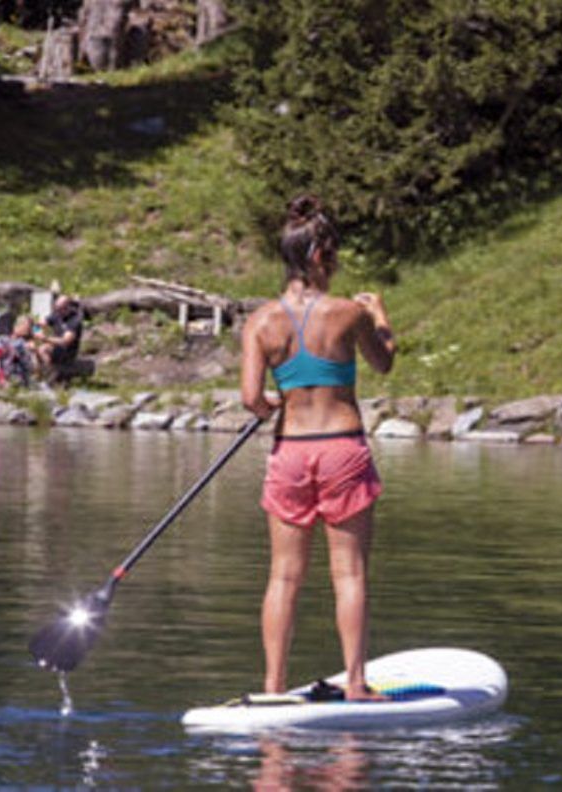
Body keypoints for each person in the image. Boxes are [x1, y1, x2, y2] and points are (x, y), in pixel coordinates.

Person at [240, 194, 396, 701]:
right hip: (342, 450)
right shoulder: (348, 313)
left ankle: (272, 686)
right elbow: (384, 363)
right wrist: (380, 316)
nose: (336, 265)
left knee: (283, 578)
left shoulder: (260, 322)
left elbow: (251, 399)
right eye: (333, 256)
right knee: (349, 573)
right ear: (316, 257)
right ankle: (355, 683)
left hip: (290, 452)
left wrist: (269, 403)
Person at [34, 295, 84, 380]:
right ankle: (39, 374)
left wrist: (45, 338)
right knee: (33, 348)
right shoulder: (57, 314)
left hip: (68, 350)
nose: (57, 311)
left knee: (43, 349)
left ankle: (51, 373)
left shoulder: (75, 320)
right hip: (55, 347)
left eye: (60, 308)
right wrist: (37, 330)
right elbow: (38, 324)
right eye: (56, 308)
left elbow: (65, 341)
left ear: (67, 307)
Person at [0, 314, 36, 387]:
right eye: (23, 325)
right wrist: (1, 378)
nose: (25, 330)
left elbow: (31, 368)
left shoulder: (24, 344)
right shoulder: (0, 340)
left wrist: (32, 352)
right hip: (6, 377)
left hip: (21, 380)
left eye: (27, 328)